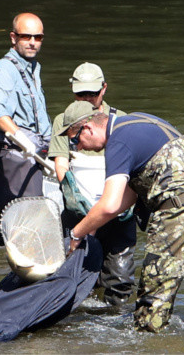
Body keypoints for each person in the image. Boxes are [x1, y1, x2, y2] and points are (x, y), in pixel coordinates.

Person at [58, 101, 184, 332]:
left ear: (88, 128)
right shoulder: (139, 121)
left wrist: (76, 233)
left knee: (152, 302)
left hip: (181, 208)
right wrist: (91, 228)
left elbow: (110, 204)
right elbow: (129, 196)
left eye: (75, 139)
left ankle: (146, 344)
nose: (78, 148)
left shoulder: (118, 141)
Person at [48, 62, 137, 307]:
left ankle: (115, 323)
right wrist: (78, 201)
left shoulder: (121, 120)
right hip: (79, 211)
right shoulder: (62, 121)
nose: (87, 98)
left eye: (92, 93)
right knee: (77, 273)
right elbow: (61, 163)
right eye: (80, 93)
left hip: (118, 210)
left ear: (104, 89)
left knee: (120, 278)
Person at [0, 12, 52, 240]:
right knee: (28, 227)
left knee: (36, 222)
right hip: (15, 156)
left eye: (38, 37)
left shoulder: (33, 68)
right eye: (26, 36)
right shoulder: (5, 69)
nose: (33, 42)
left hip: (36, 155)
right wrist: (20, 138)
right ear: (13, 38)